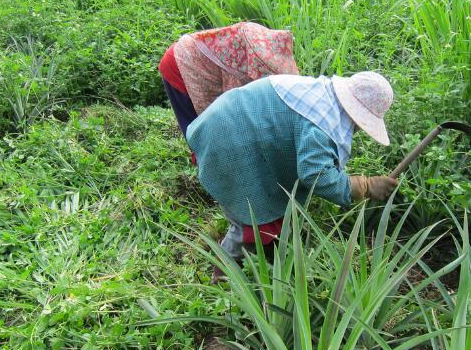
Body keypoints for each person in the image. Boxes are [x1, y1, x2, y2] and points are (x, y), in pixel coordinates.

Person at [185, 72, 399, 279]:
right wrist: (365, 186)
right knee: (253, 223)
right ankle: (223, 281)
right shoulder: (321, 123)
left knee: (271, 215)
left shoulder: (320, 95)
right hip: (230, 141)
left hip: (229, 123)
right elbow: (317, 175)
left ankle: (266, 259)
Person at [158, 22, 299, 164]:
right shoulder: (246, 61)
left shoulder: (265, 43)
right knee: (201, 132)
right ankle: (210, 172)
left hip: (194, 55)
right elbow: (232, 109)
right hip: (180, 63)